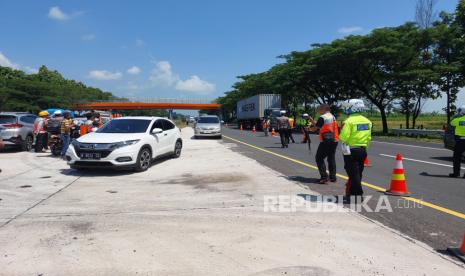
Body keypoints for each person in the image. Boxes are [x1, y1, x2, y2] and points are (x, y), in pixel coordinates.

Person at [339, 99, 372, 202]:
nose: (345, 109)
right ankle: (352, 195)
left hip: (351, 151)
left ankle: (358, 195)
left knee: (353, 174)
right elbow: (369, 138)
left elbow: (343, 137)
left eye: (347, 107)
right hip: (363, 150)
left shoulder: (348, 121)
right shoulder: (367, 121)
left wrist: (341, 132)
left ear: (352, 107)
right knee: (358, 173)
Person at [310, 104, 339, 183]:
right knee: (331, 158)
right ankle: (333, 177)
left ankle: (324, 177)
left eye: (319, 109)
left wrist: (309, 129)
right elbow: (320, 124)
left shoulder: (323, 117)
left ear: (324, 109)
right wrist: (312, 121)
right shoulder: (332, 116)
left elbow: (316, 128)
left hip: (326, 140)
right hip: (334, 139)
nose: (319, 111)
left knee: (319, 158)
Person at [449, 105, 465, 178]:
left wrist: (457, 115)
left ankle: (456, 173)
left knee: (457, 158)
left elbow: (451, 122)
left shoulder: (458, 120)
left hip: (460, 141)